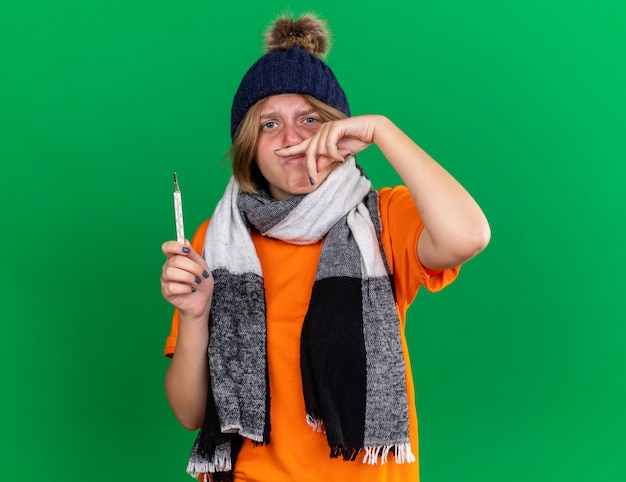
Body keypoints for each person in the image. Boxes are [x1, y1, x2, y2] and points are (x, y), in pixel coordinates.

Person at [161, 13, 490, 482]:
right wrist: (194, 316)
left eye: (309, 120)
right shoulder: (216, 238)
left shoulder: (381, 219)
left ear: (339, 131)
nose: (292, 139)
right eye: (270, 124)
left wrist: (383, 131)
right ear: (249, 146)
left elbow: (468, 236)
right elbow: (191, 414)